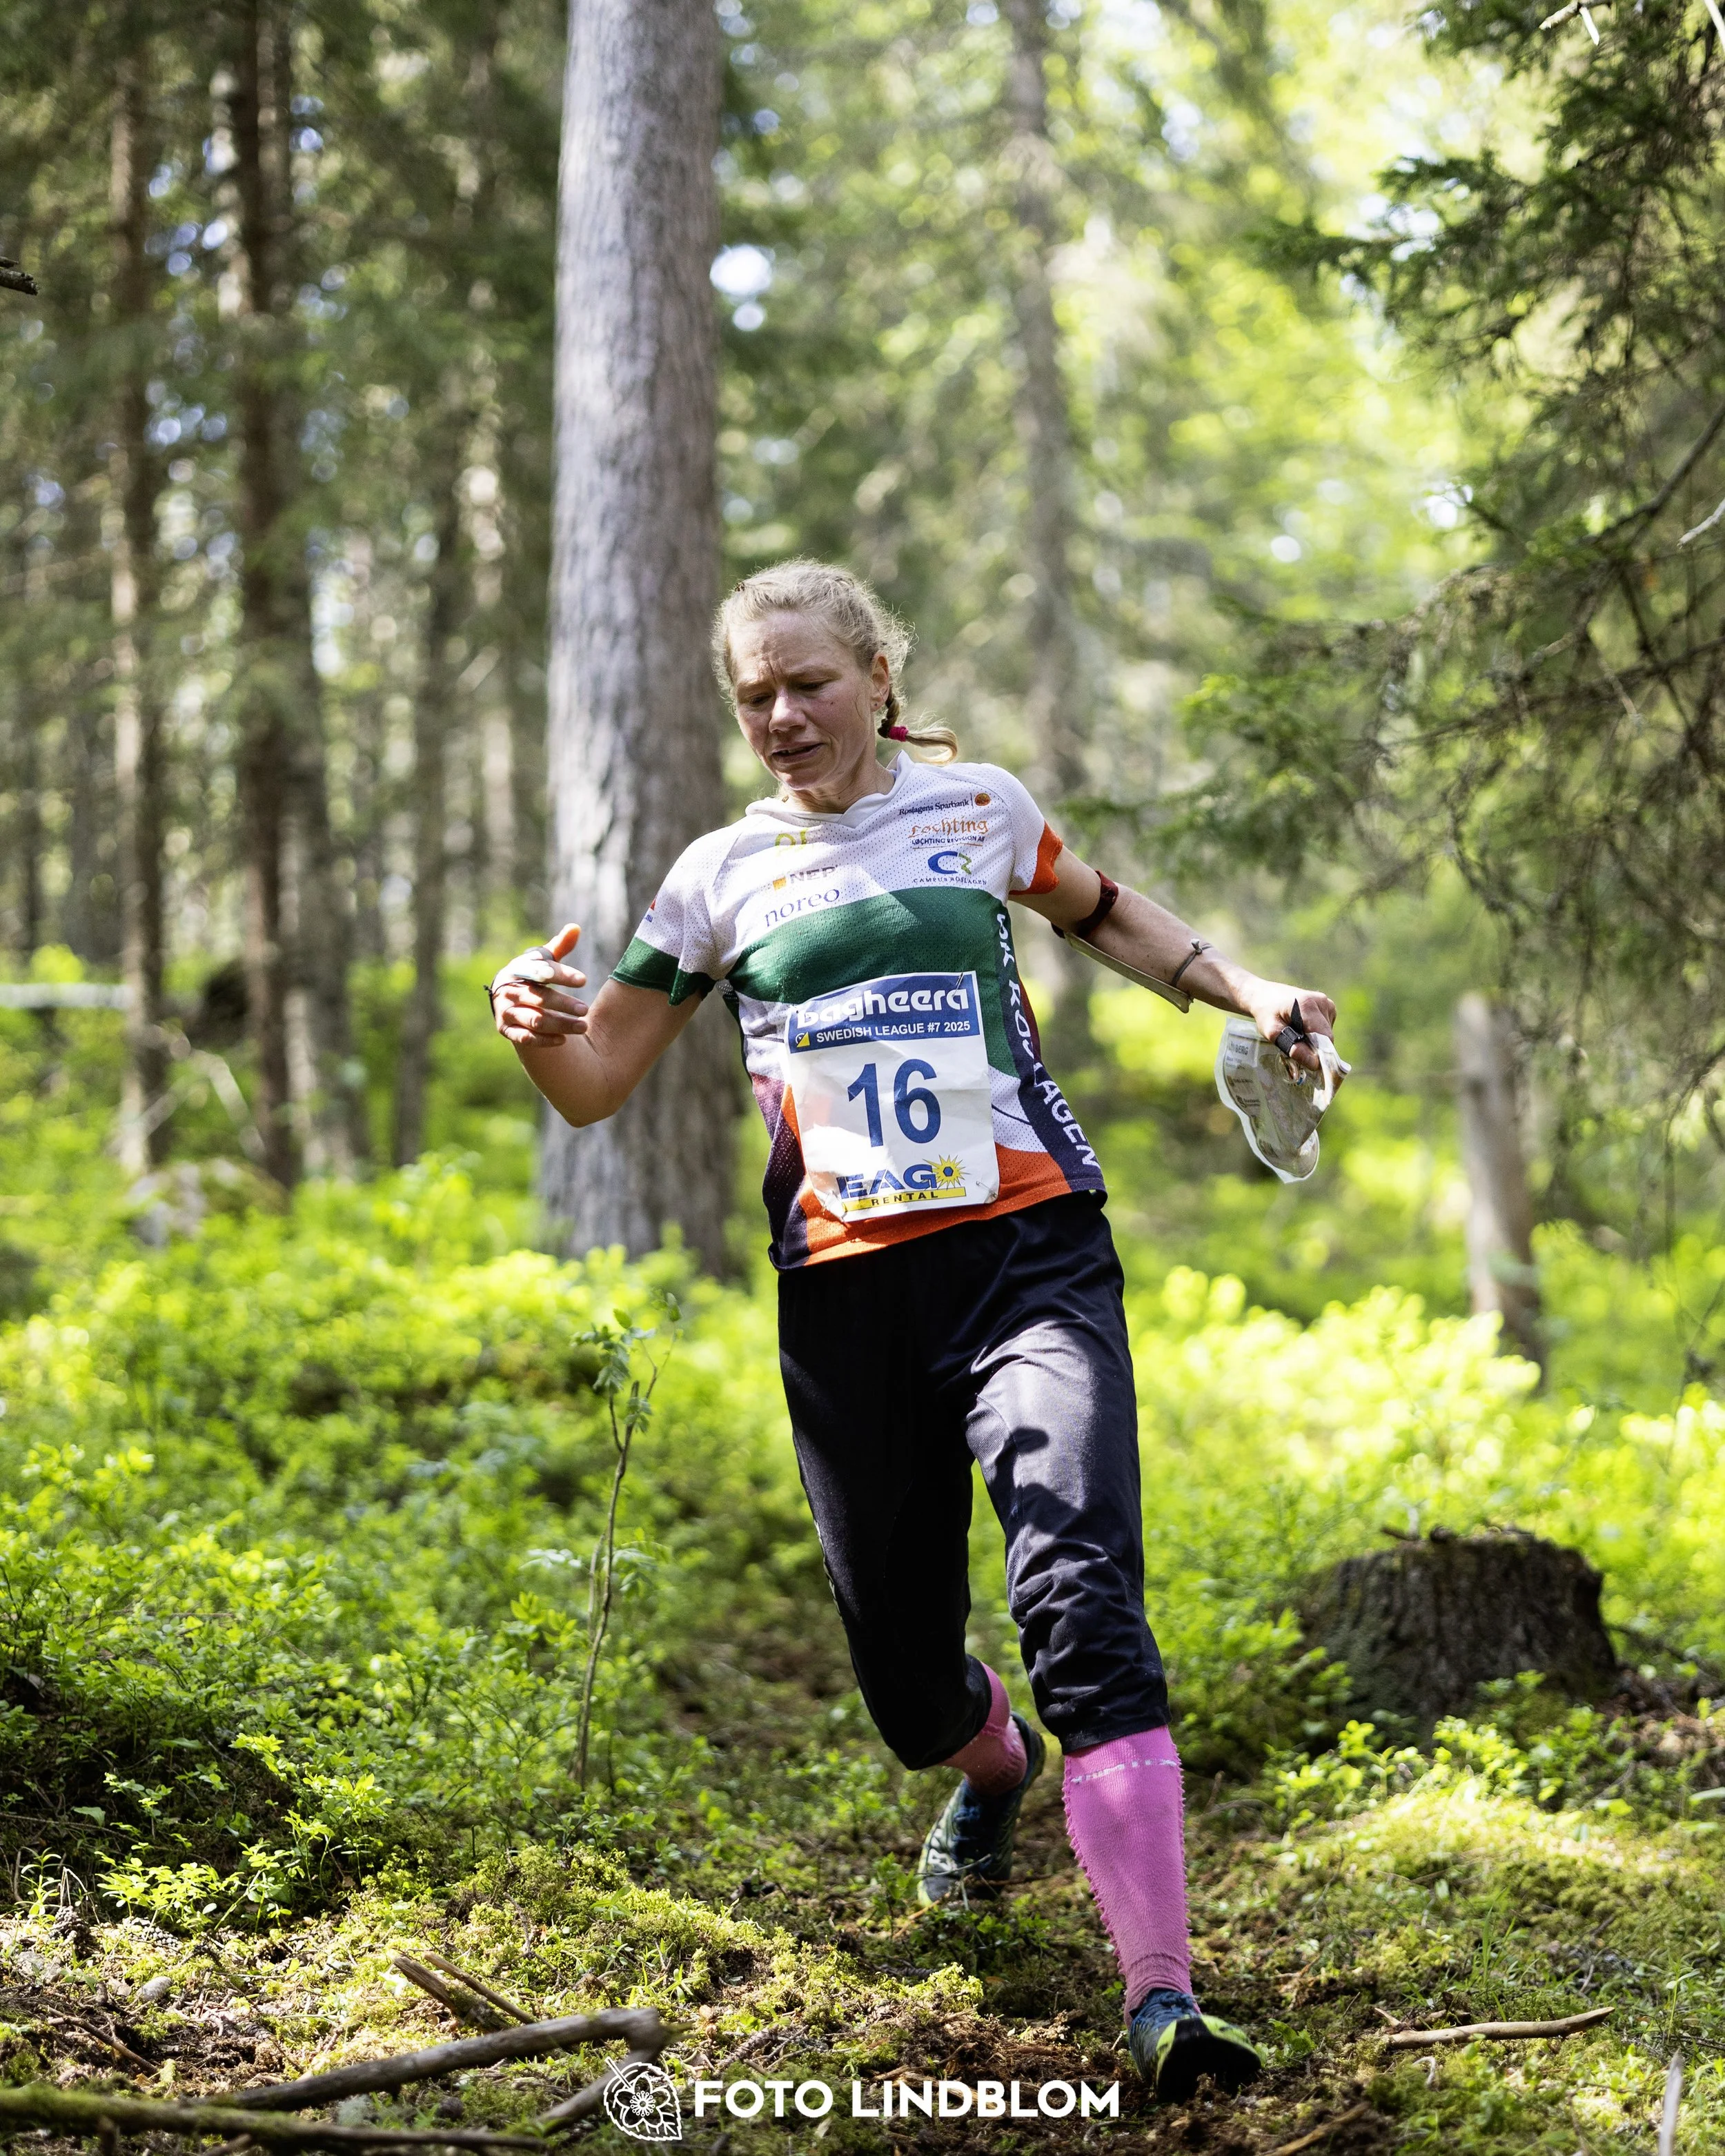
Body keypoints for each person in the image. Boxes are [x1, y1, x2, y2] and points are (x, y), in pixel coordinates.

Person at [489, 558, 1343, 2102]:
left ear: (880, 674)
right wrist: (540, 1031)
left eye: (808, 682)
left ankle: (1160, 1990)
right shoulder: (712, 876)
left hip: (1026, 1253)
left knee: (1078, 1575)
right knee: (901, 1671)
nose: (780, 716)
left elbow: (1105, 913)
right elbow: (597, 1076)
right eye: (752, 693)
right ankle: (986, 1761)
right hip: (845, 1292)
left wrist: (1243, 987)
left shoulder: (979, 810)